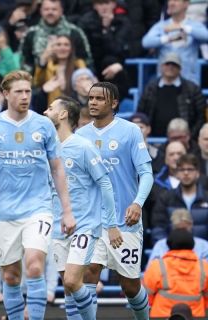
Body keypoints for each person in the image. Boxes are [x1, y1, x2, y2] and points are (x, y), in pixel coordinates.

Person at [0, 70, 76, 320]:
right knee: (10, 275)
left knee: (34, 264)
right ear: (6, 93)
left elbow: (57, 168)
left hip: (38, 209)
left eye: (28, 91)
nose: (24, 96)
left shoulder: (43, 125)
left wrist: (67, 210)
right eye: (18, 91)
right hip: (4, 212)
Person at [77, 82, 153, 319]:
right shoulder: (81, 135)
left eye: (99, 98)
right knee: (89, 273)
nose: (93, 102)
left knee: (129, 286)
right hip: (94, 221)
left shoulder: (130, 131)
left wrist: (137, 202)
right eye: (91, 98)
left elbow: (146, 174)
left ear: (114, 103)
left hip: (124, 221)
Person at [45, 95, 122, 319]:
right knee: (70, 288)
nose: (44, 112)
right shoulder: (46, 149)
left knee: (71, 280)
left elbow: (105, 184)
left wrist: (112, 223)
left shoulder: (82, 146)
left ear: (63, 114)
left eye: (50, 108)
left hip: (84, 225)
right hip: (57, 227)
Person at [136, 52, 206, 139]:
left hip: (185, 142)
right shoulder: (150, 88)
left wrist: (189, 137)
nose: (170, 67)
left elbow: (201, 117)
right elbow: (141, 113)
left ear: (180, 68)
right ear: (161, 66)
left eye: (174, 64)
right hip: (153, 139)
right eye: (167, 64)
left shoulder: (192, 89)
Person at [143, 228, 208, 318]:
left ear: (169, 244)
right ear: (192, 244)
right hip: (196, 316)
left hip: (161, 315)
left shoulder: (158, 265)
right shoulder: (204, 267)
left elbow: (146, 296)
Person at [142, 0, 208, 84]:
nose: (171, 3)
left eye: (176, 0)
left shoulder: (194, 25)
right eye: (170, 0)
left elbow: (206, 36)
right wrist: (168, 38)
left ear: (186, 4)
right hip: (165, 83)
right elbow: (145, 42)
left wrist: (183, 27)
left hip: (189, 83)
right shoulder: (161, 26)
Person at [151, 154, 208, 242]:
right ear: (176, 174)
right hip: (172, 251)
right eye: (182, 170)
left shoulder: (206, 198)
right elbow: (158, 228)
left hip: (203, 252)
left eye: (190, 169)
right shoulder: (165, 198)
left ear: (197, 173)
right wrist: (168, 247)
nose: (186, 173)